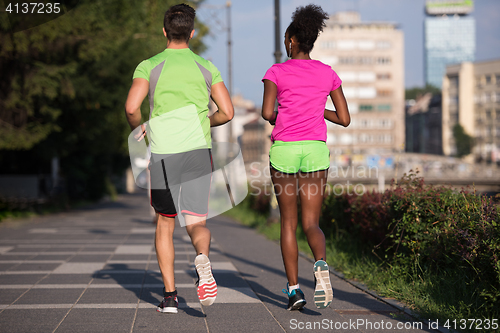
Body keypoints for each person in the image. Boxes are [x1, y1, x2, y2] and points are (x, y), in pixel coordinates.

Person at [125, 3, 234, 314]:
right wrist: (203, 122)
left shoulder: (150, 65)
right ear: (192, 33)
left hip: (163, 155)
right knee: (196, 221)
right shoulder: (206, 67)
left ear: (164, 31)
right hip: (199, 152)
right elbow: (227, 112)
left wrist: (139, 132)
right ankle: (202, 259)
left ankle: (170, 297)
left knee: (165, 224)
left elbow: (132, 107)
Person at [261, 4, 350, 311]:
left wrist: (285, 113)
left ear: (291, 40)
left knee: (288, 222)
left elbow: (266, 112)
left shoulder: (276, 71)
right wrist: (314, 109)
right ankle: (321, 264)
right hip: (315, 151)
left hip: (285, 151)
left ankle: (294, 290)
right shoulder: (327, 73)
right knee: (312, 222)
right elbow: (344, 118)